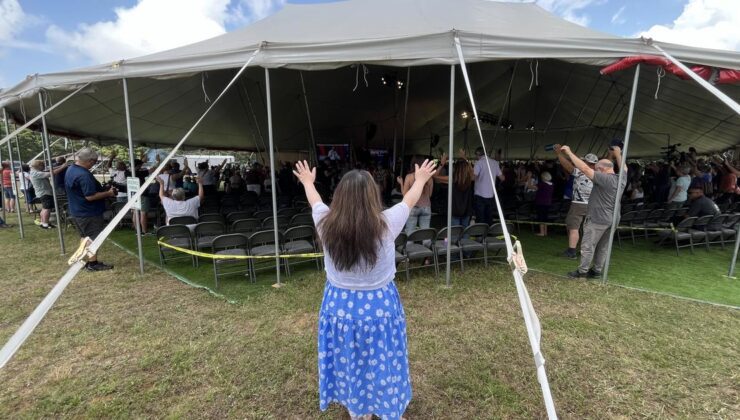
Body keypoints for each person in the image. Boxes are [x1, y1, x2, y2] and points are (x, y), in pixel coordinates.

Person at [293, 158, 437, 420]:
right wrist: (421, 179)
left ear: (340, 197)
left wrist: (306, 182)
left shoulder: (325, 223)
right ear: (373, 196)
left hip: (339, 308)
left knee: (350, 360)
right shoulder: (387, 222)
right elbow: (410, 200)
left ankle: (358, 411)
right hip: (379, 306)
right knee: (382, 360)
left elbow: (315, 201)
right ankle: (384, 407)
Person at [559, 145, 627, 279]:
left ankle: (582, 271)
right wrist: (618, 155)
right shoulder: (621, 178)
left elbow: (584, 169)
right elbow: (624, 168)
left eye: (597, 170)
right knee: (603, 247)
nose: (595, 172)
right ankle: (596, 271)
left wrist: (569, 152)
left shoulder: (604, 179)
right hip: (613, 219)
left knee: (588, 245)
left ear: (602, 169)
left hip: (598, 218)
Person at [65, 148, 116, 271]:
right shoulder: (83, 175)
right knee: (93, 237)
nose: (95, 164)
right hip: (88, 212)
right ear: (90, 161)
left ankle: (83, 259)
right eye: (95, 162)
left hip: (77, 210)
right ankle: (93, 264)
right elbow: (90, 196)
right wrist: (108, 193)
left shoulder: (71, 169)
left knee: (85, 237)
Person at [555, 147, 597, 258]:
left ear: (587, 162)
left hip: (578, 204)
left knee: (573, 227)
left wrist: (559, 153)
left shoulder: (581, 172)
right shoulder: (599, 174)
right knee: (588, 229)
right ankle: (586, 251)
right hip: (593, 204)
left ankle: (571, 251)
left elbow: (567, 166)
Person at [434, 151, 474, 227]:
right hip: (467, 211)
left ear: (456, 167)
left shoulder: (452, 179)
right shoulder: (470, 178)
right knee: (465, 235)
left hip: (454, 211)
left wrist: (442, 163)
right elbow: (473, 171)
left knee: (454, 235)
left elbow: (435, 176)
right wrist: (465, 159)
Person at [398, 156, 433, 234]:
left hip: (413, 207)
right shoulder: (429, 178)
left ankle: (410, 246)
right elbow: (430, 195)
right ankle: (426, 245)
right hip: (426, 207)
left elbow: (405, 195)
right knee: (426, 233)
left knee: (409, 233)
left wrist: (401, 183)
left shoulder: (409, 177)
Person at [30, 159, 68, 229]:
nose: (44, 167)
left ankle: (43, 222)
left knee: (44, 208)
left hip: (43, 193)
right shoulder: (36, 173)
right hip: (44, 193)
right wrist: (62, 167)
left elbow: (50, 169)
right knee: (47, 208)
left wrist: (61, 166)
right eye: (43, 166)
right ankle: (45, 224)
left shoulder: (36, 171)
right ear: (38, 166)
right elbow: (51, 173)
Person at [473, 147, 505, 224]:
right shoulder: (495, 163)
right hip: (490, 195)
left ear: (478, 154)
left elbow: (473, 178)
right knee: (489, 217)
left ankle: (480, 234)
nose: (476, 157)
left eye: (476, 155)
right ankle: (488, 233)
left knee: (480, 217)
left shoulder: (479, 163)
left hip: (480, 195)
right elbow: (502, 178)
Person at [535, 171, 554, 237]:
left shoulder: (542, 184)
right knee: (545, 217)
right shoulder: (551, 184)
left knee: (541, 217)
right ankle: (545, 232)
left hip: (541, 202)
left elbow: (531, 187)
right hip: (548, 202)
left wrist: (529, 178)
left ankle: (542, 232)